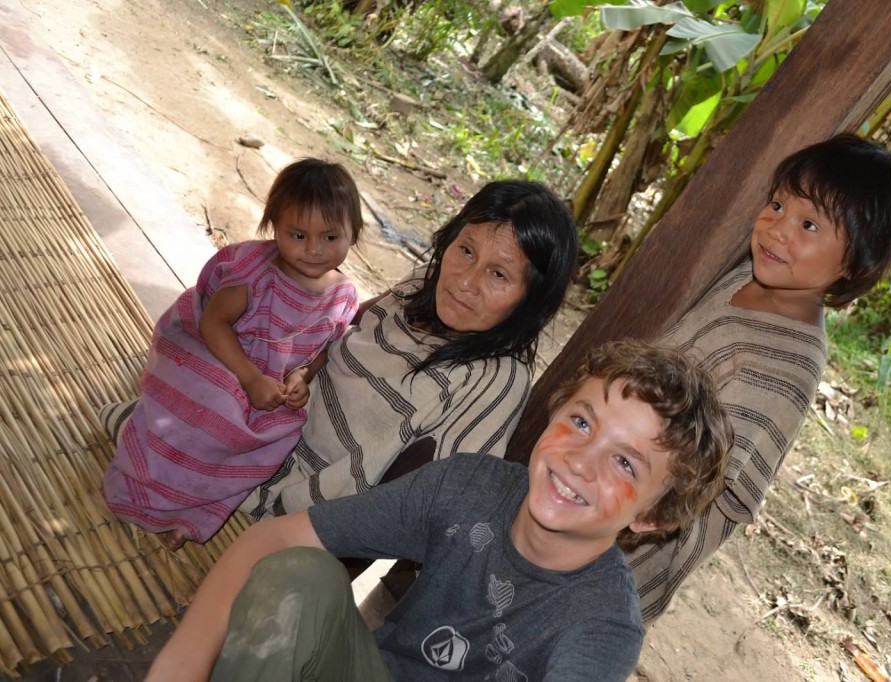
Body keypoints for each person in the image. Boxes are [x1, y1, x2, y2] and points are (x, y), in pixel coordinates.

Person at [142, 339, 733, 682]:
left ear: (651, 519)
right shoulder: (470, 489)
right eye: (581, 422)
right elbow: (268, 541)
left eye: (626, 464)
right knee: (298, 575)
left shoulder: (600, 627)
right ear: (554, 416)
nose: (581, 461)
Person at [626, 133, 891, 622]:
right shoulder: (747, 274)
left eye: (808, 224)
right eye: (778, 204)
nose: (776, 229)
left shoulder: (787, 369)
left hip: (628, 543)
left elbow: (704, 491)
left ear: (856, 262)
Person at [241, 180, 578, 518]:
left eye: (499, 274)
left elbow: (438, 503)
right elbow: (340, 326)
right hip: (259, 432)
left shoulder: (494, 377)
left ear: (530, 299)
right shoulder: (423, 285)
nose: (464, 282)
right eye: (466, 250)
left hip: (290, 507)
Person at [102, 158, 362, 548]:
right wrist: (250, 378)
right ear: (274, 228)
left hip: (265, 384)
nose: (312, 250)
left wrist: (300, 377)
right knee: (212, 410)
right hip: (215, 353)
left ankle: (191, 514)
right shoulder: (257, 273)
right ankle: (142, 465)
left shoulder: (344, 296)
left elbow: (321, 350)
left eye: (329, 237)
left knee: (275, 438)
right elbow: (213, 323)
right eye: (297, 235)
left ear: (352, 234)